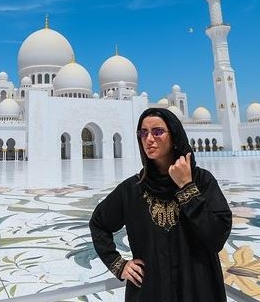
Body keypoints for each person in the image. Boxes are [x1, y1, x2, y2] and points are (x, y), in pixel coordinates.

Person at [89, 107, 232, 301]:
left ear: (174, 136)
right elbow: (99, 223)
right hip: (151, 291)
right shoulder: (133, 189)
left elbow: (216, 237)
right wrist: (119, 265)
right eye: (143, 133)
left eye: (157, 132)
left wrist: (186, 187)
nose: (149, 139)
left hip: (198, 290)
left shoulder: (202, 181)